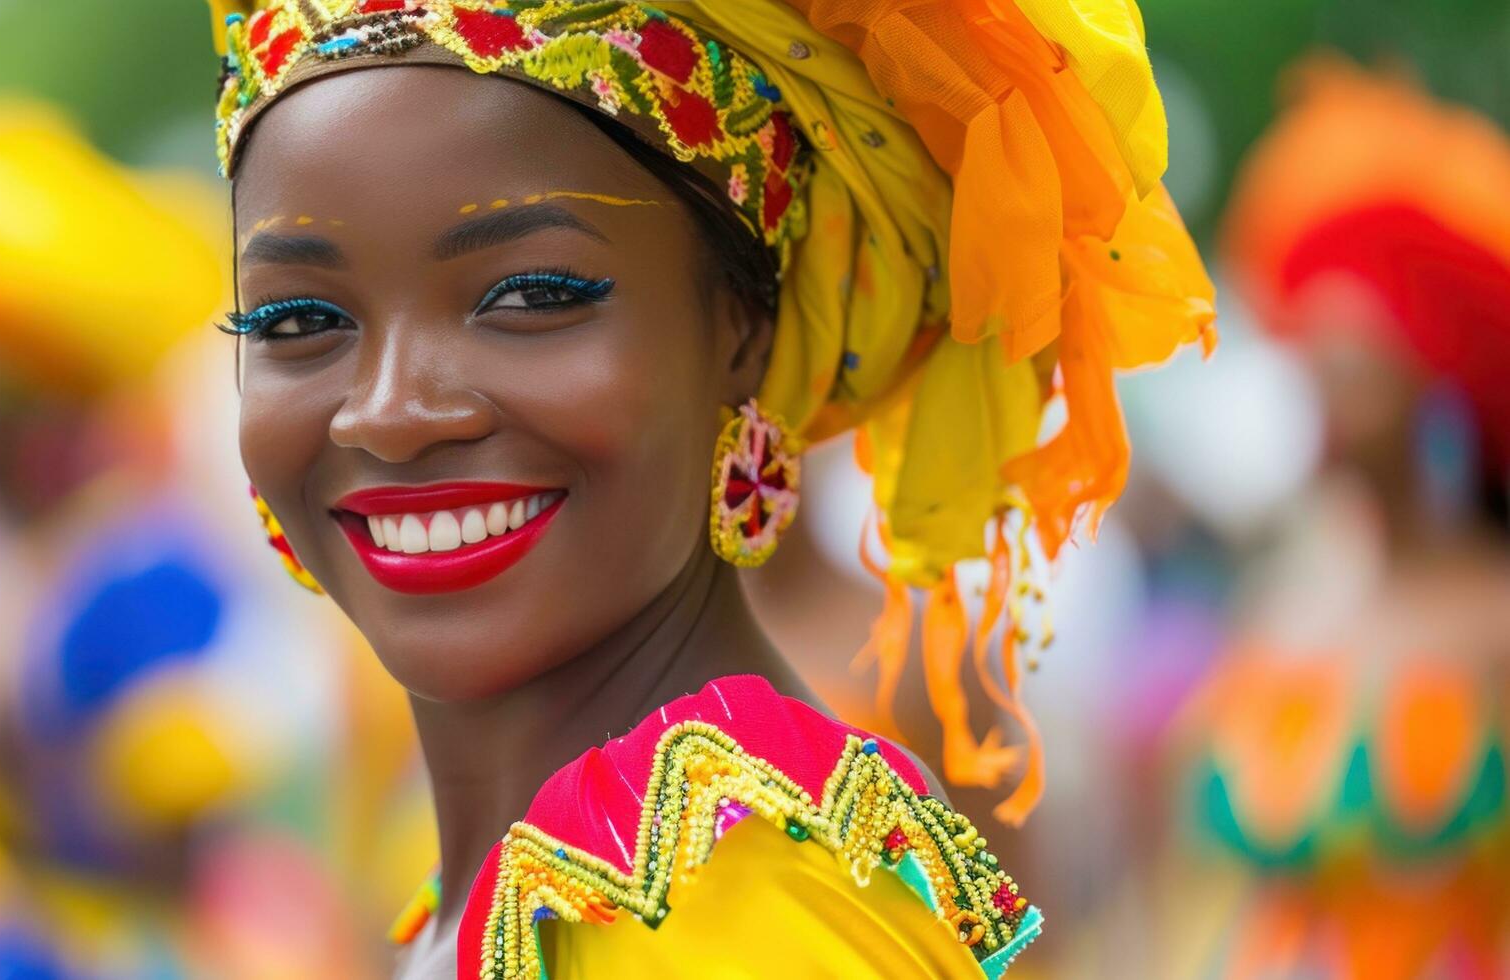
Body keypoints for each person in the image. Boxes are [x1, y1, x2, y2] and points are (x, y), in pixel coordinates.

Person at [206, 1, 1214, 976]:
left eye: (531, 295)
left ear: (741, 330)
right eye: (296, 320)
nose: (388, 411)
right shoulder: (566, 891)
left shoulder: (738, 922)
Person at [1165, 59, 1510, 979]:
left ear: (1437, 382)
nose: (1319, 389)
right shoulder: (1277, 606)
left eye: (1352, 363)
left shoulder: (1494, 614)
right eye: (1306, 354)